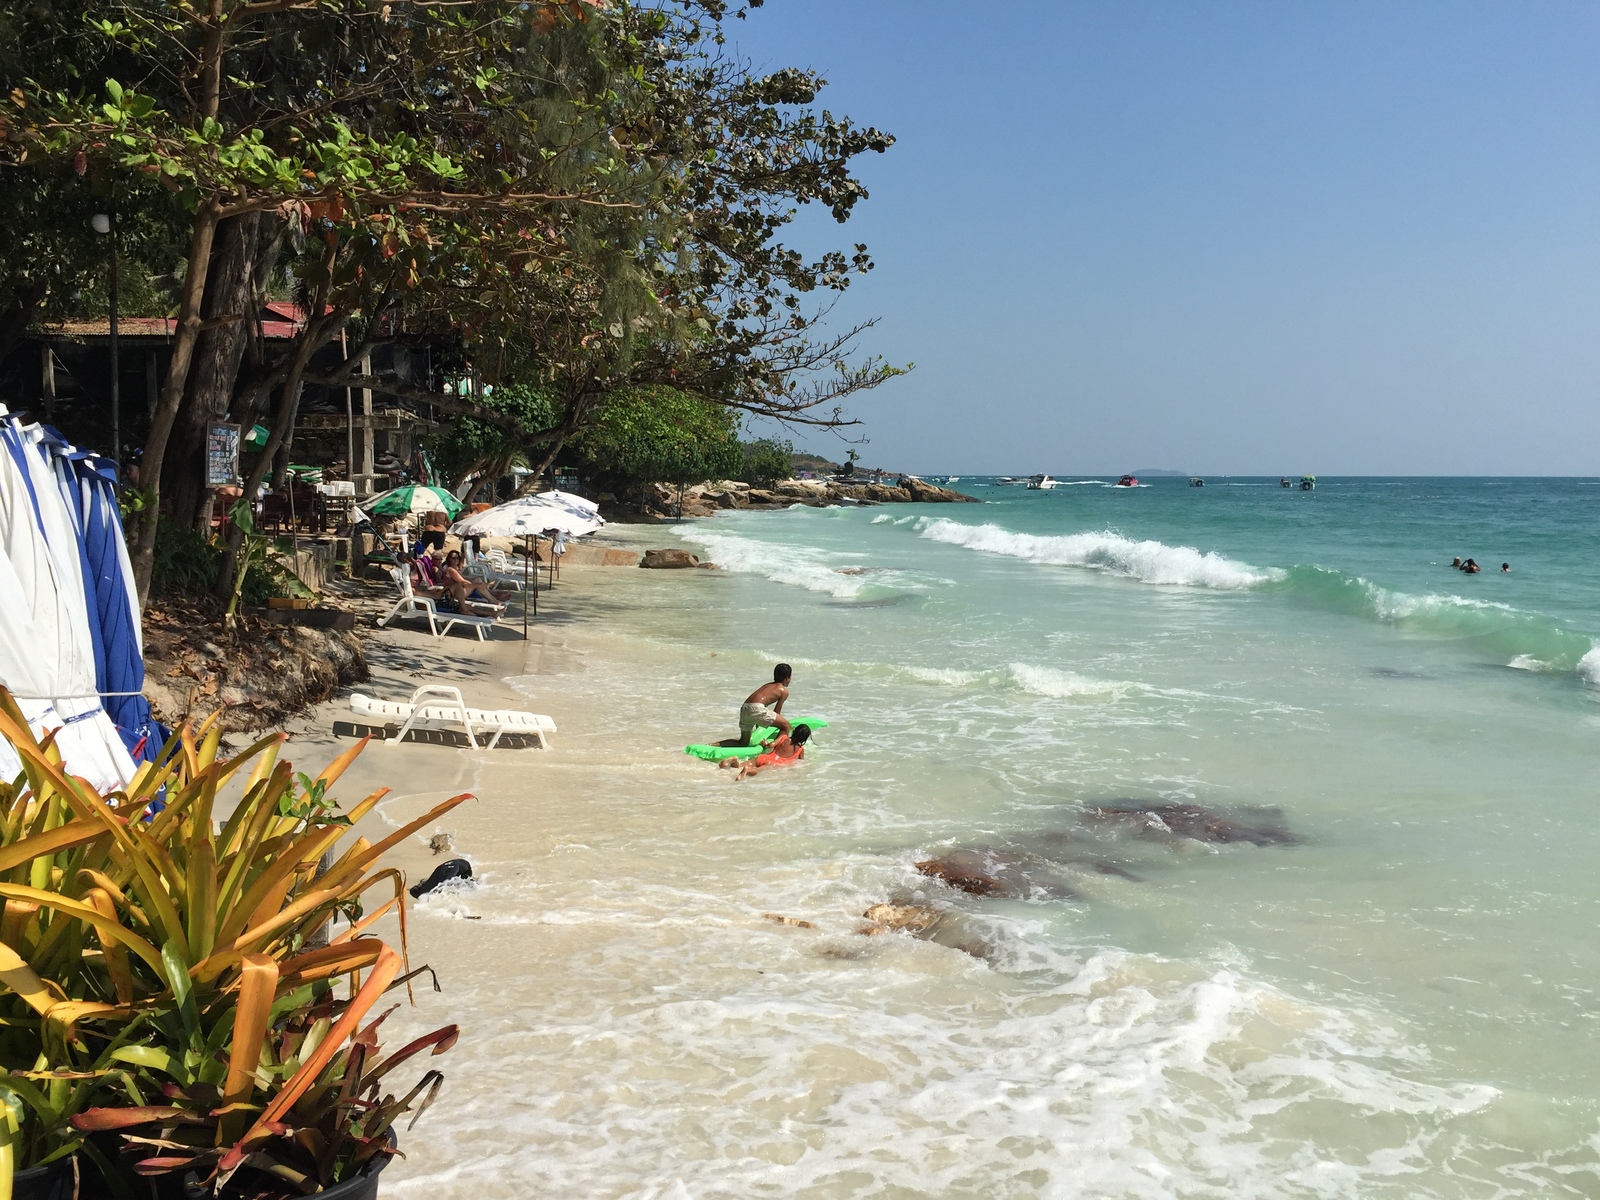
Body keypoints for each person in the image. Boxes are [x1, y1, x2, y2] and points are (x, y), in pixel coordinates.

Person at [721, 725, 811, 779]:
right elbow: (800, 763)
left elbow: (771, 745)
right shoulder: (800, 749)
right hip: (773, 763)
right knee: (757, 770)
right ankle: (747, 771)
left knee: (739, 766)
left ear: (794, 730)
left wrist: (765, 744)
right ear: (804, 739)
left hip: (765, 757)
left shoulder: (783, 737)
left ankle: (734, 760)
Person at [735, 664, 792, 745]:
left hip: (745, 708)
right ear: (787, 677)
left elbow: (758, 711)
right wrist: (784, 725)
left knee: (743, 742)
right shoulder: (783, 691)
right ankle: (777, 748)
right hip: (757, 708)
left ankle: (713, 745)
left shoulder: (768, 685)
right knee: (786, 726)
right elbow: (777, 712)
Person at [436, 549, 509, 607]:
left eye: (457, 558)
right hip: (455, 594)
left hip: (459, 590)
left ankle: (493, 595)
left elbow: (463, 581)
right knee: (478, 585)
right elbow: (463, 582)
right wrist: (477, 585)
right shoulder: (451, 570)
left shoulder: (456, 569)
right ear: (449, 559)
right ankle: (494, 599)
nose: (456, 560)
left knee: (477, 580)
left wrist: (476, 583)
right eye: (453, 558)